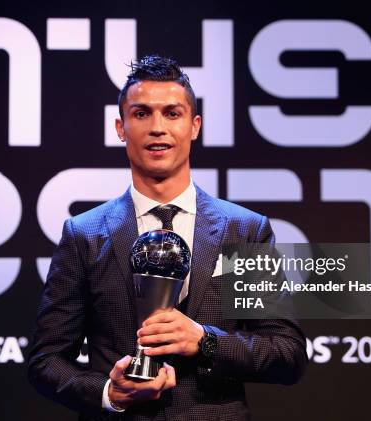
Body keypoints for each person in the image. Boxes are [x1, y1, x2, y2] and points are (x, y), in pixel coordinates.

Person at [28, 55, 307, 421]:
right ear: (121, 127)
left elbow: (286, 355)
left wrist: (204, 341)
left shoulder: (244, 230)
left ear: (194, 126)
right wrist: (109, 393)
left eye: (172, 114)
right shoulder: (84, 234)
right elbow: (47, 360)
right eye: (141, 113)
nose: (157, 127)